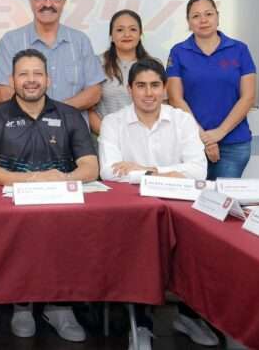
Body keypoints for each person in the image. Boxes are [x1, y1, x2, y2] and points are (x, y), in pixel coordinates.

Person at [0, 49, 98, 343]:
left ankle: (60, 307)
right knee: (19, 240)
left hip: (61, 206)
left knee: (68, 240)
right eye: (23, 74)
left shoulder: (69, 115)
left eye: (37, 74)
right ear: (12, 80)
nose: (31, 80)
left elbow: (91, 167)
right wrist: (33, 180)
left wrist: (63, 180)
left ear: (48, 79)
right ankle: (22, 304)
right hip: (12, 209)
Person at [98, 58, 207, 350]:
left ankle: (188, 316)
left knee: (199, 247)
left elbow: (199, 171)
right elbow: (109, 172)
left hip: (179, 205)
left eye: (155, 85)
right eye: (141, 86)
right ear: (130, 89)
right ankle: (141, 323)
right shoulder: (113, 122)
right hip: (134, 208)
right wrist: (169, 172)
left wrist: (144, 170)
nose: (149, 93)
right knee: (139, 252)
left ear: (165, 88)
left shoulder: (182, 120)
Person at [168, 0, 256, 181]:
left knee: (222, 199)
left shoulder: (239, 49)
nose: (203, 20)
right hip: (190, 143)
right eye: (196, 16)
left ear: (217, 16)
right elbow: (175, 98)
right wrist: (203, 137)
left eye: (208, 14)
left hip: (233, 145)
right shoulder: (178, 52)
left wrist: (219, 133)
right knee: (188, 198)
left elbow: (248, 97)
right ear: (188, 22)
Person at [0, 0, 104, 116]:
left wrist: (54, 111)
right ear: (31, 2)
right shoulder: (11, 41)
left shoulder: (80, 41)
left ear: (63, 2)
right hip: (25, 127)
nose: (47, 4)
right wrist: (40, 116)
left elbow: (94, 92)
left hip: (72, 127)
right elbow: (4, 92)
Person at [89, 9, 154, 135]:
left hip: (145, 138)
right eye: (120, 30)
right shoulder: (97, 63)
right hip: (107, 138)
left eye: (133, 29)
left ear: (140, 34)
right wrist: (111, 136)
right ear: (111, 36)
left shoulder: (153, 66)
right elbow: (89, 110)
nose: (127, 34)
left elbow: (161, 106)